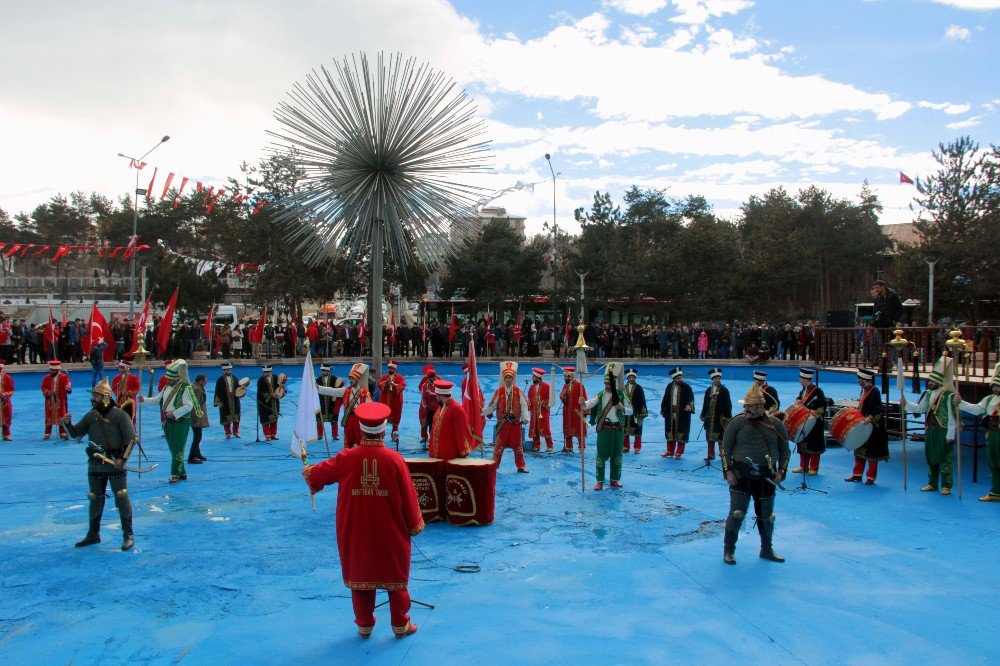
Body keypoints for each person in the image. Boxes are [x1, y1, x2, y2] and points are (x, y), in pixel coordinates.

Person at [301, 401, 423, 639]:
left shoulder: (347, 457)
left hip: (357, 529)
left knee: (362, 576)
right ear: (384, 429)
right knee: (395, 576)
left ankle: (364, 624)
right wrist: (413, 524)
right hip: (390, 530)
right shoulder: (394, 460)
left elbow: (318, 473)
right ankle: (400, 623)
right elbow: (408, 497)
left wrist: (308, 470)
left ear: (361, 428)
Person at [721, 384, 790, 565]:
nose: (746, 409)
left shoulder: (776, 425)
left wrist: (781, 471)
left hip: (766, 477)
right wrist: (728, 471)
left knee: (767, 516)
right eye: (745, 406)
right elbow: (725, 448)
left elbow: (785, 451)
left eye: (749, 406)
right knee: (737, 514)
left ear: (760, 407)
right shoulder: (736, 423)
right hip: (741, 476)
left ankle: (767, 549)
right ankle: (729, 550)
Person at [65, 379, 138, 550]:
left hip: (114, 463)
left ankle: (128, 534)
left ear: (105, 396)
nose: (93, 399)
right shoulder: (92, 415)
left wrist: (122, 459)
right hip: (96, 463)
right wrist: (67, 423)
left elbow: (131, 439)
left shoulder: (120, 415)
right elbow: (76, 434)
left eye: (96, 396)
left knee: (121, 496)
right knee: (95, 498)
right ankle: (93, 534)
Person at [140, 359, 201, 483]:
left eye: (169, 379)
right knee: (174, 448)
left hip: (180, 422)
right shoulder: (167, 388)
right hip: (167, 422)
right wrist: (144, 400)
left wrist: (174, 413)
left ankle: (175, 474)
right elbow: (158, 400)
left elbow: (189, 406)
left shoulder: (185, 388)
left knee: (178, 447)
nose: (167, 381)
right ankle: (182, 471)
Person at [903, 359, 958, 495]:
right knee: (931, 457)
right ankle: (932, 483)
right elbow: (921, 409)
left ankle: (946, 485)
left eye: (932, 381)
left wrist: (951, 434)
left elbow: (952, 416)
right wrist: (906, 403)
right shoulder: (927, 394)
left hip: (943, 431)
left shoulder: (948, 395)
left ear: (939, 381)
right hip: (930, 430)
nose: (930, 383)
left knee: (945, 459)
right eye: (929, 381)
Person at [583, 363, 633, 490]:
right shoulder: (600, 394)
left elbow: (631, 410)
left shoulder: (621, 395)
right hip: (604, 429)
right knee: (601, 456)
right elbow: (589, 403)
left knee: (617, 456)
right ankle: (600, 481)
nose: (606, 386)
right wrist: (583, 402)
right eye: (605, 384)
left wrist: (621, 407)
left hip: (618, 430)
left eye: (609, 384)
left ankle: (614, 480)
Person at [959, 363, 1000, 502]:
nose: (995, 388)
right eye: (994, 385)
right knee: (993, 462)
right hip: (992, 435)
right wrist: (961, 402)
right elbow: (976, 409)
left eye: (998, 386)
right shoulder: (989, 399)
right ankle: (995, 492)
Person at [483, 361, 530, 473]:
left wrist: (525, 418)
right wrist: (481, 413)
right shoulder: (499, 391)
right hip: (503, 425)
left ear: (513, 378)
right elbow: (492, 406)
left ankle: (521, 466)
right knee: (498, 447)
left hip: (515, 424)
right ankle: (495, 465)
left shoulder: (519, 391)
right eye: (506, 377)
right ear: (504, 378)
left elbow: (524, 405)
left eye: (510, 377)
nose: (508, 379)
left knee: (518, 447)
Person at [846, 368, 890, 484]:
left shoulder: (874, 391)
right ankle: (857, 474)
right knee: (859, 450)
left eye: (859, 378)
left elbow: (878, 410)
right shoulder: (863, 390)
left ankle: (871, 477)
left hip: (872, 427)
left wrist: (870, 418)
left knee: (871, 453)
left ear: (864, 379)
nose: (857, 380)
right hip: (862, 424)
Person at [317, 363, 371, 449]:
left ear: (358, 379)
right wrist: (318, 388)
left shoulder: (365, 393)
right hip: (348, 419)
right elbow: (332, 391)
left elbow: (369, 410)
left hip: (360, 420)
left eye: (353, 378)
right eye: (350, 378)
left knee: (360, 441)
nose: (351, 380)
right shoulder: (346, 390)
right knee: (348, 441)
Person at [789, 368, 827, 476]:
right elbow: (801, 398)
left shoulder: (817, 391)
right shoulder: (804, 390)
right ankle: (803, 466)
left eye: (801, 379)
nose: (799, 380)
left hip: (814, 422)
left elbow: (822, 405)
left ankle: (814, 467)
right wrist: (798, 400)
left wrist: (814, 411)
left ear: (806, 379)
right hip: (804, 420)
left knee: (813, 444)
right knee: (803, 442)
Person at [428, 379, 473, 459]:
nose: (436, 398)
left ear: (440, 396)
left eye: (436, 396)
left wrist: (464, 452)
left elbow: (462, 431)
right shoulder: (441, 407)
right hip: (437, 453)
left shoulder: (457, 409)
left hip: (450, 454)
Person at [660, 367, 694, 459]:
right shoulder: (669, 386)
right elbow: (665, 398)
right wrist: (663, 409)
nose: (680, 380)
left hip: (682, 414)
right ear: (674, 379)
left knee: (681, 432)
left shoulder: (687, 387)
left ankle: (679, 452)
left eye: (681, 378)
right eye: (678, 378)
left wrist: (689, 406)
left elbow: (690, 399)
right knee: (670, 432)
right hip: (670, 413)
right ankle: (670, 451)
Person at [700, 368, 732, 461]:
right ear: (712, 379)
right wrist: (703, 414)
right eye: (716, 378)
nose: (717, 380)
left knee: (720, 438)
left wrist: (727, 416)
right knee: (709, 438)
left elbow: (728, 404)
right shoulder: (708, 390)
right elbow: (705, 403)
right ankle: (711, 455)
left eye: (719, 378)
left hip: (720, 419)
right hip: (709, 418)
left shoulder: (724, 390)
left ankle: (723, 455)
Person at [559, 366, 587, 453]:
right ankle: (568, 446)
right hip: (567, 411)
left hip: (577, 411)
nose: (566, 378)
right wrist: (564, 394)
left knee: (579, 429)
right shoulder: (565, 386)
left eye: (567, 376)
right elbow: (562, 397)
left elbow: (584, 398)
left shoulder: (579, 385)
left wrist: (585, 411)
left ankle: (581, 447)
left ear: (572, 376)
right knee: (567, 429)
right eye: (565, 376)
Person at [41, 360, 72, 439]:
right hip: (50, 400)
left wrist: (68, 388)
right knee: (49, 416)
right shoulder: (46, 377)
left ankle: (62, 432)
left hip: (61, 400)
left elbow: (68, 385)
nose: (52, 371)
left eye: (53, 370)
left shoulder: (64, 377)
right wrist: (47, 392)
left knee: (61, 415)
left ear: (57, 370)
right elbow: (43, 387)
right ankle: (47, 433)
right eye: (51, 370)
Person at [378, 360, 406, 443]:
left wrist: (394, 385)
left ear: (395, 369)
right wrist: (385, 383)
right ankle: (381, 434)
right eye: (389, 368)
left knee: (396, 418)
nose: (390, 370)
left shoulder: (400, 377)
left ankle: (394, 435)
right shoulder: (384, 377)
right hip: (385, 400)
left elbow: (403, 385)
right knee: (382, 418)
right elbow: (379, 384)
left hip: (395, 400)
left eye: (392, 369)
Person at [527, 367, 555, 452]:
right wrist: (528, 402)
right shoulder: (531, 387)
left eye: (534, 377)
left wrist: (542, 402)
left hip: (543, 412)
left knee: (545, 428)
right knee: (534, 428)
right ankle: (536, 445)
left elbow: (550, 399)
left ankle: (549, 445)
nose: (532, 378)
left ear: (538, 377)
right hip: (534, 412)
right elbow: (529, 397)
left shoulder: (547, 386)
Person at [214, 362, 244, 438]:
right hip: (225, 401)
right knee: (225, 417)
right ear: (223, 370)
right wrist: (219, 402)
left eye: (230, 370)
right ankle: (228, 433)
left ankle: (236, 432)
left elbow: (238, 388)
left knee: (236, 416)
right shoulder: (220, 380)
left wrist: (242, 388)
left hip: (234, 400)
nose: (228, 371)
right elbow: (217, 391)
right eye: (227, 370)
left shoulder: (234, 378)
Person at [316, 364, 345, 440]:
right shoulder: (318, 379)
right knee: (319, 420)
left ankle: (335, 435)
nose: (323, 372)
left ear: (328, 371)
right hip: (321, 402)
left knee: (334, 419)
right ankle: (320, 435)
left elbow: (339, 389)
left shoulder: (334, 379)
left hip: (332, 403)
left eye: (324, 370)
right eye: (322, 370)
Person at [623, 368, 647, 454]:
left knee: (637, 430)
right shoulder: (623, 388)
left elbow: (642, 401)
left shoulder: (639, 388)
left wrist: (642, 414)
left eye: (633, 377)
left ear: (635, 377)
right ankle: (625, 446)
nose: (631, 379)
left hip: (636, 413)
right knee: (625, 431)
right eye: (630, 377)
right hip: (625, 413)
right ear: (627, 378)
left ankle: (637, 447)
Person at [188, 374, 209, 464]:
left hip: (195, 415)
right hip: (196, 416)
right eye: (205, 381)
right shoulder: (197, 389)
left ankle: (197, 454)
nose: (206, 382)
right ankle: (191, 457)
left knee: (197, 436)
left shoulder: (195, 386)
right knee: (197, 437)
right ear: (201, 381)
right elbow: (195, 405)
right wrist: (197, 418)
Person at [257, 365, 282, 441]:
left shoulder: (275, 377)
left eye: (268, 372)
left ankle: (273, 434)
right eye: (265, 372)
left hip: (274, 402)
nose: (266, 374)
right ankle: (267, 435)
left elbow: (279, 388)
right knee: (265, 419)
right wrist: (271, 395)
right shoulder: (261, 380)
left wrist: (280, 392)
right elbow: (260, 392)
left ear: (271, 372)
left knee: (274, 417)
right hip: (264, 403)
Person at [417, 364, 438, 446]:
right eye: (433, 377)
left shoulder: (439, 383)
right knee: (426, 422)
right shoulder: (425, 385)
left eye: (435, 376)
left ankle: (436, 439)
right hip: (429, 408)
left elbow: (441, 395)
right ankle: (426, 438)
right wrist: (425, 405)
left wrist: (431, 393)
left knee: (436, 425)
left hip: (438, 407)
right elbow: (423, 397)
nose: (435, 378)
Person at [0, 360, 13, 441]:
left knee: (6, 415)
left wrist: (5, 394)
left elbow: (11, 390)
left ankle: (6, 434)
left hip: (4, 400)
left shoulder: (7, 377)